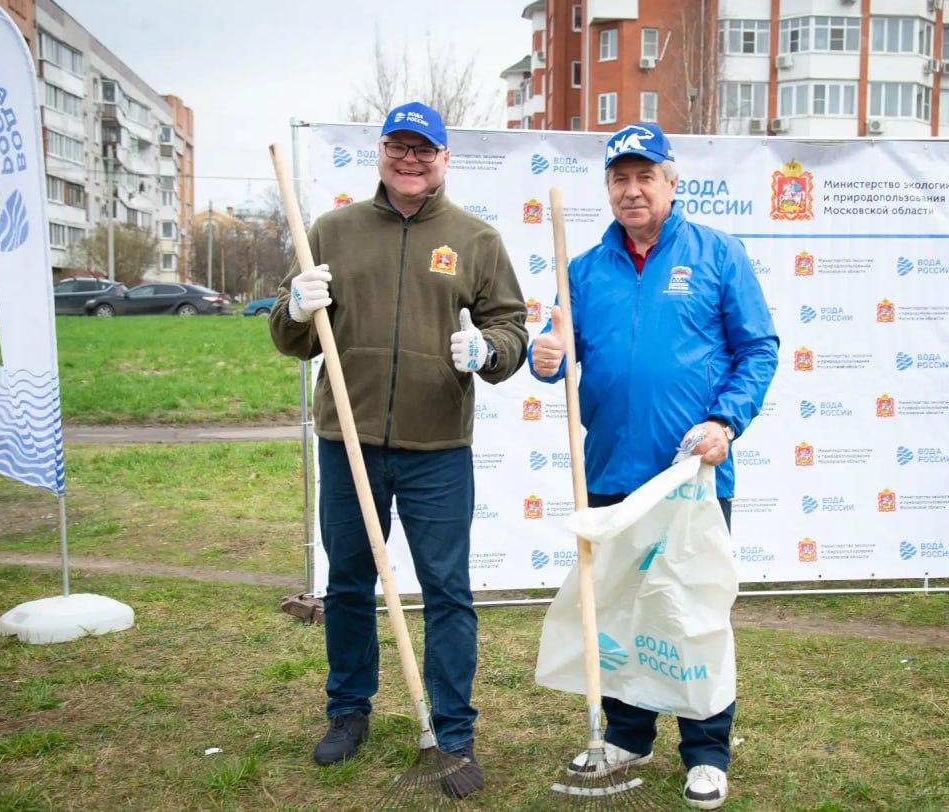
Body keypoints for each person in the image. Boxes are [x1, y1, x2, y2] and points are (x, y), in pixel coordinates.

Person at [270, 101, 528, 798]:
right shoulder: (334, 231)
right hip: (347, 439)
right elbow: (292, 340)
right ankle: (348, 710)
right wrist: (294, 307)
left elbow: (511, 329)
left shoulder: (476, 240)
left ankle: (453, 732)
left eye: (424, 149)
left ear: (444, 159)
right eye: (398, 147)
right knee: (349, 584)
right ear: (381, 152)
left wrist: (488, 349)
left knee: (447, 591)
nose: (410, 160)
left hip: (436, 446)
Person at [529, 122, 778, 809]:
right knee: (617, 611)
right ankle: (628, 735)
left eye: (645, 176)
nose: (632, 190)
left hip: (692, 474)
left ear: (672, 182)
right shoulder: (584, 270)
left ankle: (706, 752)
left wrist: (726, 421)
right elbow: (556, 354)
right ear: (608, 188)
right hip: (611, 468)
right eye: (620, 178)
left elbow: (758, 348)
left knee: (690, 608)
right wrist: (544, 358)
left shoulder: (716, 253)